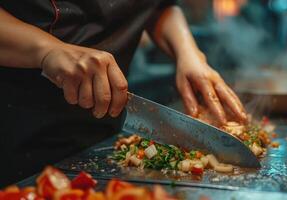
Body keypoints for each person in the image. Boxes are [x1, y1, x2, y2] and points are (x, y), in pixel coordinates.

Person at [0, 0, 247, 186]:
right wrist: (46, 50)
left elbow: (156, 6)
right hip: (17, 138)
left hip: (104, 138)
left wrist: (188, 52)